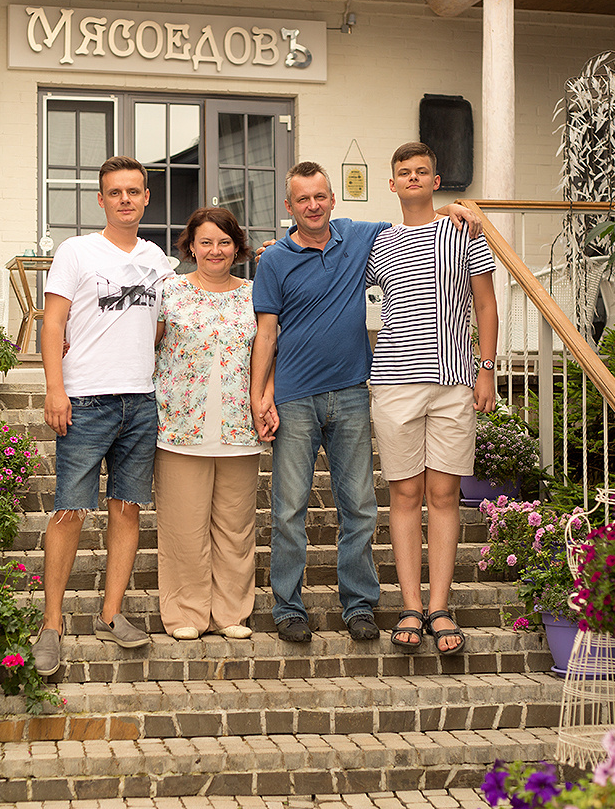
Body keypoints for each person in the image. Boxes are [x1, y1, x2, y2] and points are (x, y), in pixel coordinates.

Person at [249, 160, 479, 643]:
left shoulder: (362, 237)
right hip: (293, 398)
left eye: (321, 197)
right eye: (302, 200)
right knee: (289, 508)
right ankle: (288, 606)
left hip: (354, 391)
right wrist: (259, 394)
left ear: (333, 200)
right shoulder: (273, 260)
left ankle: (359, 604)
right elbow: (266, 334)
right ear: (288, 207)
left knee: (359, 507)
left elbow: (422, 220)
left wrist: (461, 206)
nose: (313, 206)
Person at [33, 155, 175, 676]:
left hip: (140, 400)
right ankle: (51, 623)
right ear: (101, 199)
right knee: (70, 510)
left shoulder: (158, 258)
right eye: (115, 192)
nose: (125, 200)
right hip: (86, 399)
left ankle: (110, 613)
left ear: (145, 198)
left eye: (134, 191)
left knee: (127, 509)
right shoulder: (77, 251)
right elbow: (53, 325)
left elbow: (165, 323)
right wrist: (55, 388)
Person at [367, 142, 498, 655]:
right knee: (404, 496)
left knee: (444, 496)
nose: (414, 177)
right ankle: (410, 606)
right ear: (393, 183)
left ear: (436, 178)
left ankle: (440, 607)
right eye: (405, 172)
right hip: (395, 382)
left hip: (453, 381)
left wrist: (485, 371)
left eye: (423, 170)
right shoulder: (379, 244)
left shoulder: (462, 233)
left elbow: (485, 305)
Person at [153, 207, 264, 641]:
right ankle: (185, 613)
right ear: (191, 246)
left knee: (236, 528)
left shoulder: (255, 294)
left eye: (223, 242)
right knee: (183, 527)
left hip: (239, 428)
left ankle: (232, 613)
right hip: (180, 427)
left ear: (236, 247)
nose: (214, 250)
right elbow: (147, 343)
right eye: (205, 242)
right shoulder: (169, 291)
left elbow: (267, 352)